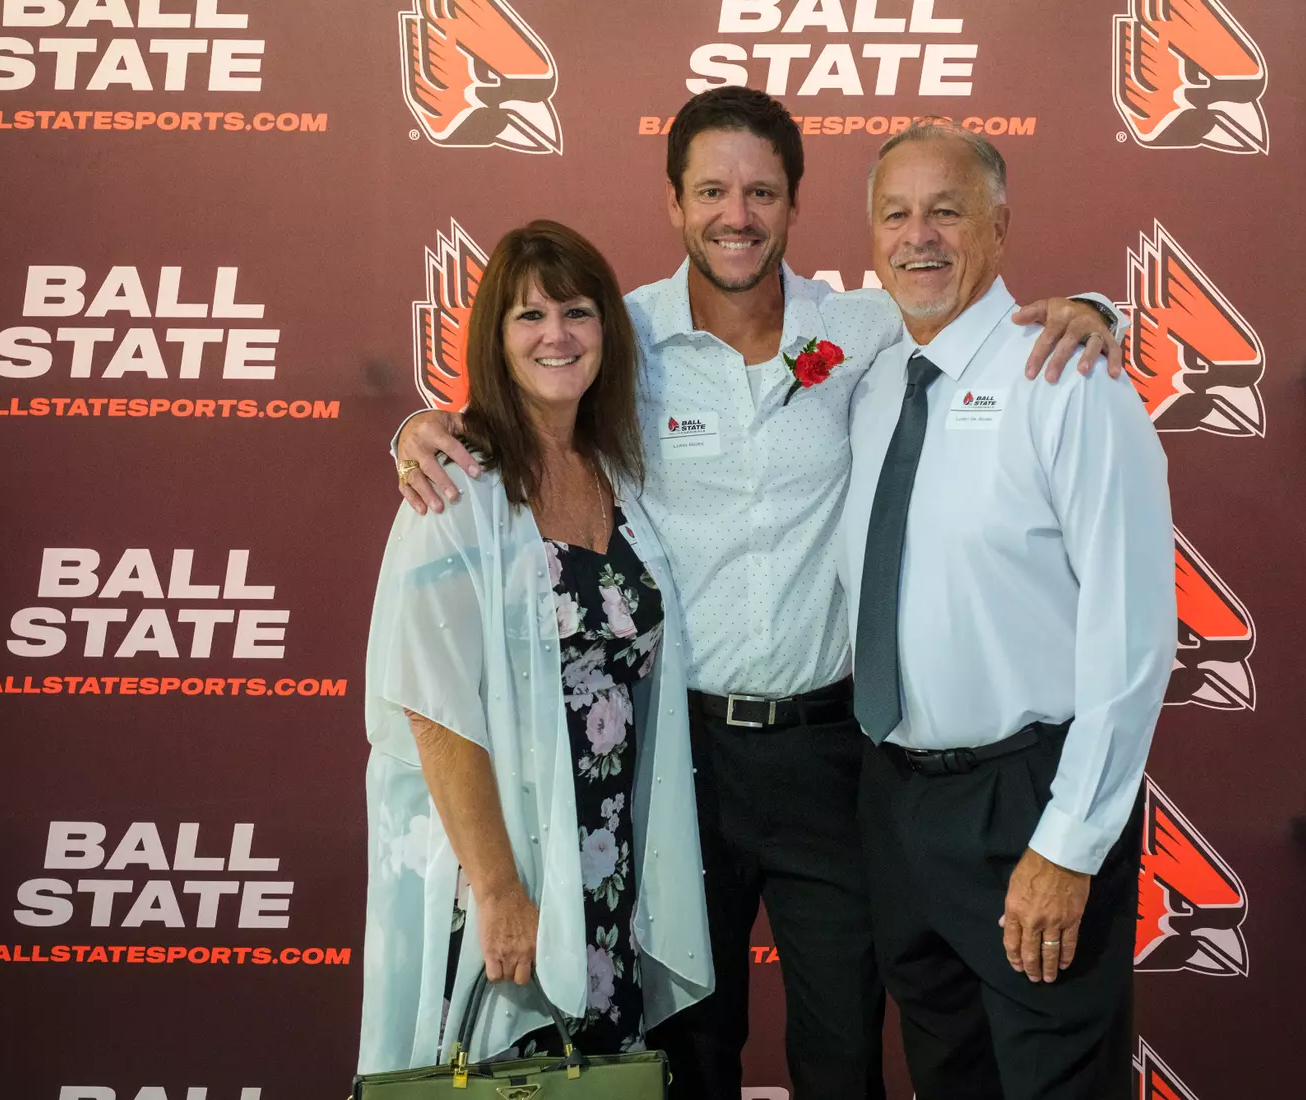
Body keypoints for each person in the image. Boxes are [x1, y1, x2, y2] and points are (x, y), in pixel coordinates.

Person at [390, 88, 1128, 1100]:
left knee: (842, 1049)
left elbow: (970, 314)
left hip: (835, 756)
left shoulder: (863, 327)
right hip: (674, 759)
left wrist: (1099, 310)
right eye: (712, 190)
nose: (736, 214)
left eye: (761, 191)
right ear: (673, 202)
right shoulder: (622, 334)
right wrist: (421, 426)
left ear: (792, 205)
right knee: (689, 1045)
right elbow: (532, 379)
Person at [842, 123, 1176, 1100]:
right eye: (896, 213)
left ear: (997, 223)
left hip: (1025, 799)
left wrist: (1069, 843)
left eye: (945, 210)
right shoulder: (868, 379)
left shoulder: (1068, 379)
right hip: (893, 799)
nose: (919, 236)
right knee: (949, 1075)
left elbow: (1133, 637)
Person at [358, 221, 711, 1075]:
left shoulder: (616, 469)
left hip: (607, 863)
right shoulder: (455, 487)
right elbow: (433, 712)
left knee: (592, 1080)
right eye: (530, 316)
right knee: (498, 1075)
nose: (557, 335)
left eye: (578, 312)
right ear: (495, 337)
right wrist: (499, 891)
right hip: (504, 867)